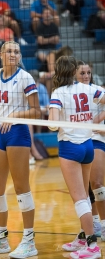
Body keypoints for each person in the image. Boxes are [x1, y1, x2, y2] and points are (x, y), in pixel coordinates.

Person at [0, 41, 41, 258]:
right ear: (1, 54)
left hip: (18, 133)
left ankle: (29, 240)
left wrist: (13, 116)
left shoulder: (25, 77)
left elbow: (36, 112)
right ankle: (1, 239)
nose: (13, 54)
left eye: (16, 51)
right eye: (9, 51)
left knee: (21, 187)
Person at [48, 56, 105, 259]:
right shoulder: (88, 88)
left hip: (70, 148)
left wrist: (52, 116)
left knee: (80, 198)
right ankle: (83, 236)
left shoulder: (58, 93)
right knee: (85, 195)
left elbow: (53, 125)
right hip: (88, 146)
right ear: (73, 72)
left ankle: (92, 246)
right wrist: (93, 119)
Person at [76, 60, 105, 241]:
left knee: (97, 183)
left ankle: (104, 223)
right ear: (75, 75)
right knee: (84, 188)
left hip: (96, 138)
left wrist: (99, 118)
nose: (86, 76)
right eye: (82, 73)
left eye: (88, 72)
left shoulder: (97, 90)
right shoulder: (71, 92)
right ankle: (94, 225)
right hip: (78, 140)